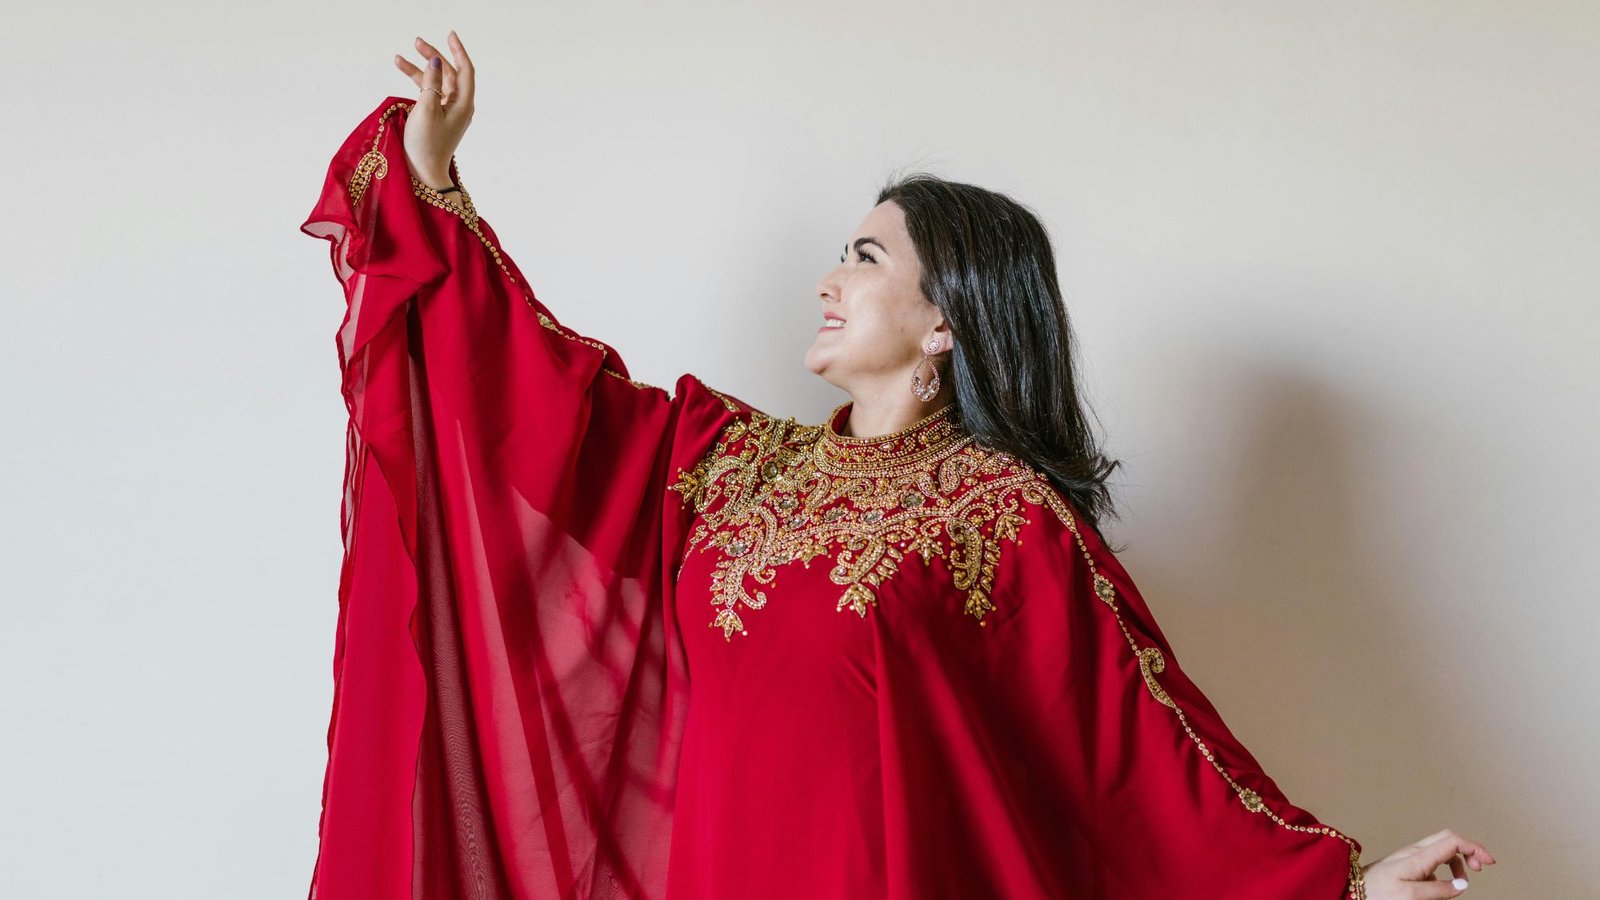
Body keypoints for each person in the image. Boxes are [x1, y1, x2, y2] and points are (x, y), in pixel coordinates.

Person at [296, 30, 1497, 900]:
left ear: (945, 323)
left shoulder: (999, 519)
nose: (829, 279)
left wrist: (1346, 882)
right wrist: (435, 184)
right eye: (840, 252)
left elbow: (1144, 752)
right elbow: (543, 401)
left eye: (866, 257)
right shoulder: (728, 470)